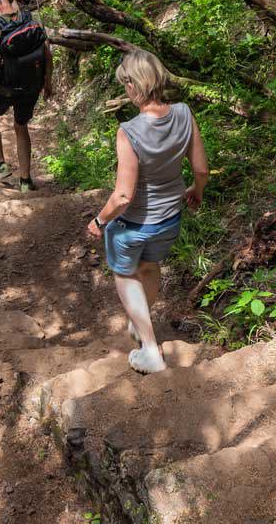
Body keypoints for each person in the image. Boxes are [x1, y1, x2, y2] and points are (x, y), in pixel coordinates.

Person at [85, 49, 207, 374]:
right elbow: (201, 169)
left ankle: (150, 349)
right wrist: (197, 190)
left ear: (133, 86)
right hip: (169, 219)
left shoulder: (130, 131)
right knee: (150, 268)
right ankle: (140, 324)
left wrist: (99, 220)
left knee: (126, 274)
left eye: (125, 84)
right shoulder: (183, 113)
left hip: (132, 223)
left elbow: (123, 195)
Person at [0, 0, 52, 191]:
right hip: (32, 85)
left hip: (6, 87)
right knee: (21, 126)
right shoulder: (34, 19)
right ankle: (25, 181)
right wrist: (47, 82)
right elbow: (47, 54)